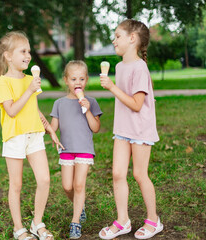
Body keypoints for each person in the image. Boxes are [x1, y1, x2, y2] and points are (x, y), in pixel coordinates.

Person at [0, 31, 63, 240]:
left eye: (29, 51)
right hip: (15, 137)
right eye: (23, 51)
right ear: (8, 56)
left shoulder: (30, 79)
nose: (28, 55)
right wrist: (29, 90)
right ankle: (19, 228)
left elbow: (33, 109)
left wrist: (49, 129)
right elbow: (11, 111)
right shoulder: (4, 82)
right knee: (16, 185)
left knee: (45, 179)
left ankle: (37, 222)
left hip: (34, 135)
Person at [98, 19, 163, 239]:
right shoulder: (119, 66)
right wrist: (113, 86)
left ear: (132, 39)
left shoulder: (140, 67)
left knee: (139, 174)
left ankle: (154, 220)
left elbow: (136, 104)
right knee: (117, 174)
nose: (114, 40)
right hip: (123, 129)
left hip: (140, 129)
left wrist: (112, 87)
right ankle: (123, 220)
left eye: (117, 36)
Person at [49, 60, 102, 239]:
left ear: (86, 80)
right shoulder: (59, 103)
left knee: (79, 185)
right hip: (66, 149)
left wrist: (86, 109)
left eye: (81, 78)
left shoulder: (92, 102)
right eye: (73, 79)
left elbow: (95, 128)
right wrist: (44, 126)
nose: (77, 82)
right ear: (66, 80)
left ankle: (75, 222)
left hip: (84, 149)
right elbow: (53, 127)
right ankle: (81, 206)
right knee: (67, 186)